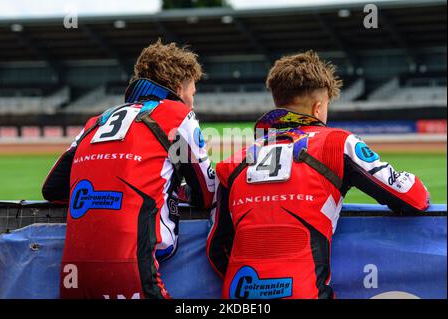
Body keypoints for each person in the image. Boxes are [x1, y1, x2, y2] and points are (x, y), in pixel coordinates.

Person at [206, 51, 430, 299]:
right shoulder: (337, 143)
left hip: (239, 294)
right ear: (319, 107)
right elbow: (412, 198)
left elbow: (217, 248)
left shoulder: (232, 163)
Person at [42, 40, 215, 299]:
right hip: (132, 263)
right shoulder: (177, 114)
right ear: (179, 88)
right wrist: (176, 191)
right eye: (193, 92)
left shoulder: (97, 120)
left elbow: (52, 188)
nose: (192, 101)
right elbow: (207, 192)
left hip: (74, 271)